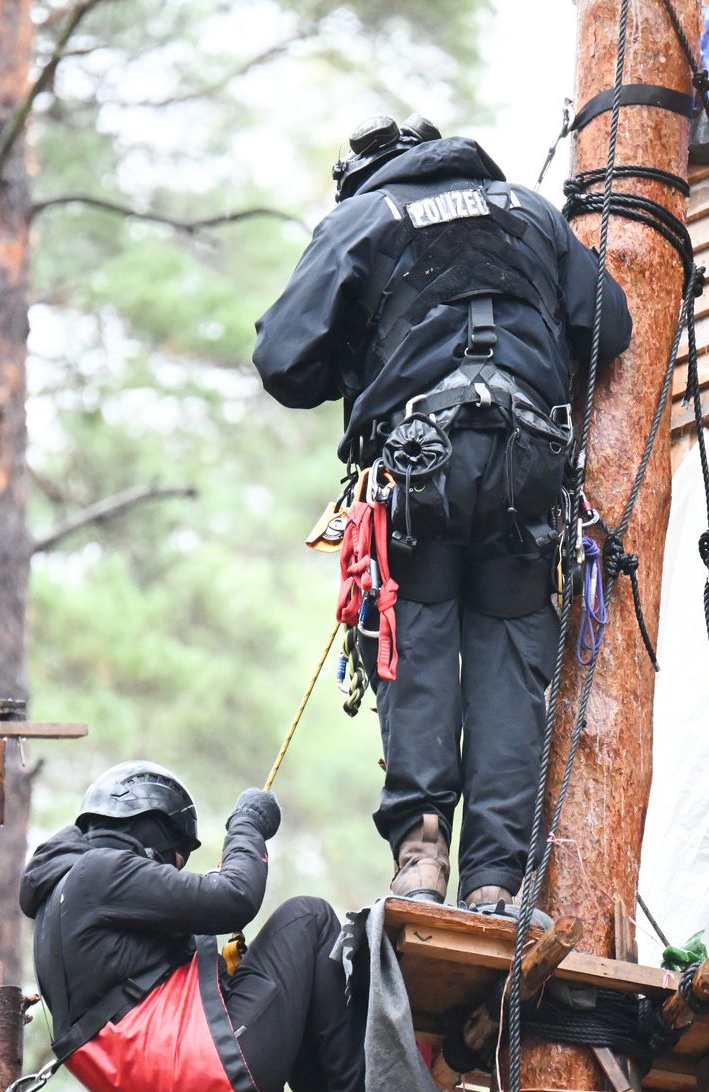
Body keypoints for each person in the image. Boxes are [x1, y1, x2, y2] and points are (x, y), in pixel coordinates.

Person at [253, 113, 632, 911]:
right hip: (527, 471)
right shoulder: (530, 212)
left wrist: (361, 350)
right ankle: (497, 880)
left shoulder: (363, 218)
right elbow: (613, 325)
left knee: (414, 641)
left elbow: (283, 361)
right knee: (506, 659)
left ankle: (422, 858)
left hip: (418, 469)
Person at [20, 760, 389, 1092]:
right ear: (150, 824)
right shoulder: (100, 872)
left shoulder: (61, 903)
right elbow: (233, 896)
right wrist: (246, 828)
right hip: (197, 1079)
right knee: (309, 918)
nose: (175, 869)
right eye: (176, 856)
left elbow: (145, 990)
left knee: (297, 972)